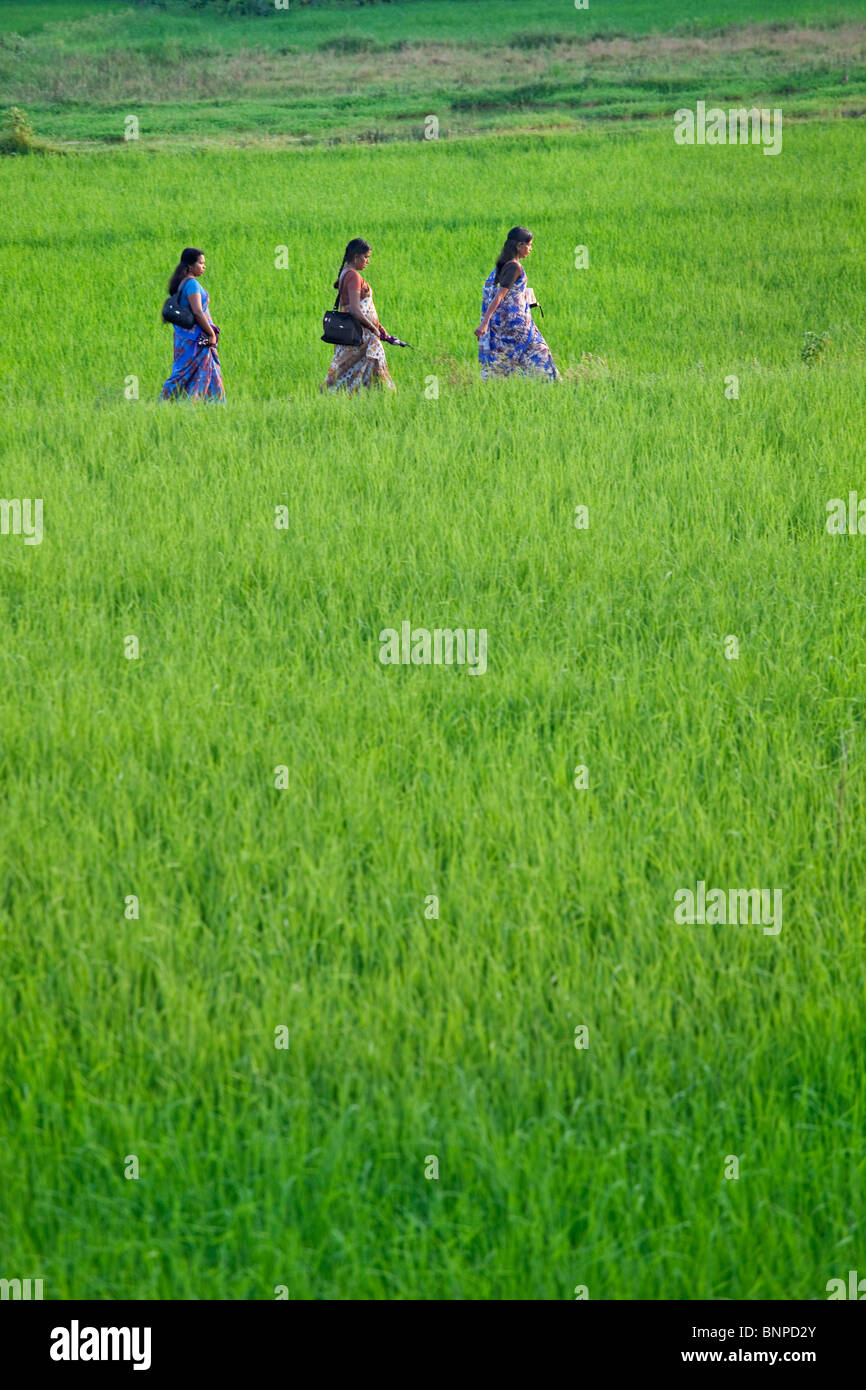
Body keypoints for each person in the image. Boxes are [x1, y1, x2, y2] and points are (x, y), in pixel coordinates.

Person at [475, 226, 559, 381]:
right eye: (529, 245)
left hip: (500, 326)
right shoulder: (514, 266)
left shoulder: (502, 265)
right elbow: (499, 296)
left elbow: (506, 294)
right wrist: (484, 324)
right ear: (519, 246)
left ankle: (492, 385)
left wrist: (526, 298)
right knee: (541, 354)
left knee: (502, 361)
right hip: (517, 327)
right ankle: (553, 386)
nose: (531, 249)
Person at [321, 239, 396, 394]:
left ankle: (374, 399)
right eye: (365, 257)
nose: (368, 261)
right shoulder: (353, 276)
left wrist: (379, 326)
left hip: (359, 332)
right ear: (356, 257)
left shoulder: (346, 273)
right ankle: (384, 397)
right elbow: (355, 309)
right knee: (344, 371)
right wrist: (373, 327)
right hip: (361, 334)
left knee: (346, 369)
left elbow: (361, 308)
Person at [161, 247, 225, 402]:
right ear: (190, 265)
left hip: (185, 339)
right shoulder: (192, 284)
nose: (204, 266)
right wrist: (210, 333)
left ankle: (183, 405)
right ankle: (208, 406)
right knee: (197, 373)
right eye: (201, 263)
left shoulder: (182, 283)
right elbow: (197, 311)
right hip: (198, 339)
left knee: (186, 373)